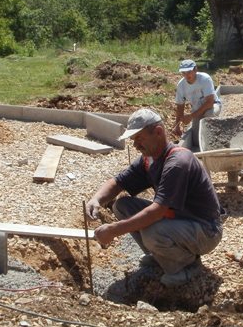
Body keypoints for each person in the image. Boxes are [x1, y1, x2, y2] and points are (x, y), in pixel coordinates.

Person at [86, 108, 223, 287]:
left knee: (152, 232)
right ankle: (160, 256)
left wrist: (113, 230)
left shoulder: (177, 163)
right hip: (181, 220)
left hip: (206, 230)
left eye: (139, 138)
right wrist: (96, 199)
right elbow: (118, 182)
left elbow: (157, 211)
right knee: (122, 206)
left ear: (158, 132)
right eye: (133, 140)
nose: (135, 146)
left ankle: (188, 265)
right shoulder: (149, 159)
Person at [172, 59, 222, 151]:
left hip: (213, 106)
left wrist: (191, 116)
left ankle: (216, 139)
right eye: (184, 73)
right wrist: (177, 125)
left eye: (189, 72)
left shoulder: (204, 79)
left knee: (208, 115)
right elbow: (180, 106)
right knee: (196, 141)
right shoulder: (181, 85)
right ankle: (204, 144)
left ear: (195, 70)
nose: (187, 75)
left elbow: (209, 103)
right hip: (197, 111)